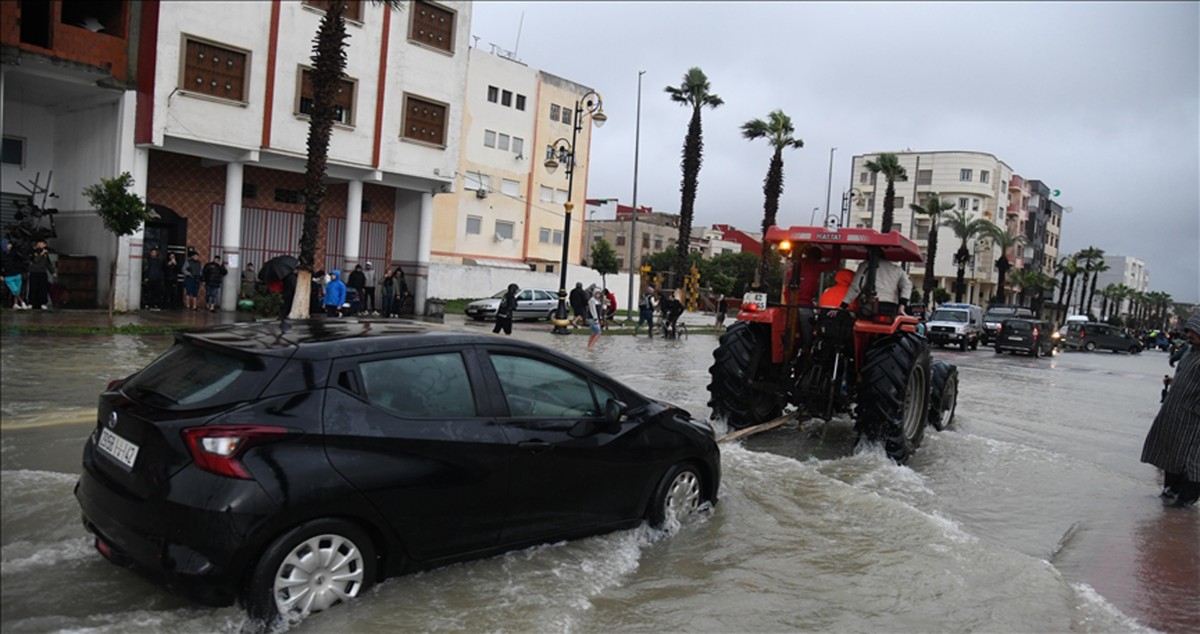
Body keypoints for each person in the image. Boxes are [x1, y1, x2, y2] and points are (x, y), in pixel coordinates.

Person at [1141, 310, 1200, 508]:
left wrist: (1194, 409)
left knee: (1192, 461)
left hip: (1194, 421)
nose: (1189, 335)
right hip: (1175, 415)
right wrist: (1174, 381)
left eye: (1194, 331)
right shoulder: (1190, 353)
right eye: (1189, 330)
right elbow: (1188, 377)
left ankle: (1185, 504)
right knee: (1171, 454)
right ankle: (1169, 494)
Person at [836, 250, 913, 317]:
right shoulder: (897, 269)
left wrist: (843, 306)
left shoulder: (865, 265)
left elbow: (856, 287)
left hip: (869, 306)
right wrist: (902, 305)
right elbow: (907, 285)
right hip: (890, 306)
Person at [2, 239, 30, 310]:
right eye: (8, 244)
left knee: (18, 289)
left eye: (10, 244)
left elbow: (21, 260)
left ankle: (16, 303)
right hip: (8, 275)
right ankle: (22, 302)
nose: (9, 246)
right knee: (14, 290)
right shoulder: (2, 255)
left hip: (17, 274)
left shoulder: (15, 253)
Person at [27, 240, 55, 310]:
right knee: (33, 287)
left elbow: (48, 263)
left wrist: (52, 272)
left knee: (43, 288)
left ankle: (43, 303)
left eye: (44, 244)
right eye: (41, 243)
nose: (42, 245)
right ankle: (31, 302)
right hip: (34, 272)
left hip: (42, 272)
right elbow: (35, 260)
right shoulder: (33, 251)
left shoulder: (45, 253)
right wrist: (41, 254)